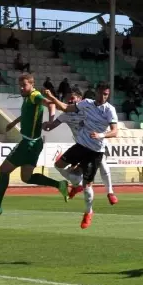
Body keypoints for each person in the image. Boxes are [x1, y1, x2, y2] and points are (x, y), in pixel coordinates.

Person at [0, 74, 69, 217]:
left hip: (28, 143)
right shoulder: (29, 98)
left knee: (4, 170)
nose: (21, 88)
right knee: (26, 178)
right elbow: (26, 114)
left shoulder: (34, 96)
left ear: (31, 85)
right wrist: (13, 123)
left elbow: (51, 104)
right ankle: (60, 185)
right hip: (36, 143)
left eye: (24, 85)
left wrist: (51, 121)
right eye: (20, 85)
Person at [44, 84, 118, 229]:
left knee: (88, 184)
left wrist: (101, 135)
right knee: (58, 164)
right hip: (81, 145)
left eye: (106, 94)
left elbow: (115, 131)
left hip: (96, 150)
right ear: (96, 93)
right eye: (102, 93)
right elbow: (65, 108)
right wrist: (52, 98)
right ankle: (76, 184)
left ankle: (89, 211)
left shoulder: (109, 109)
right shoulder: (86, 104)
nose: (104, 97)